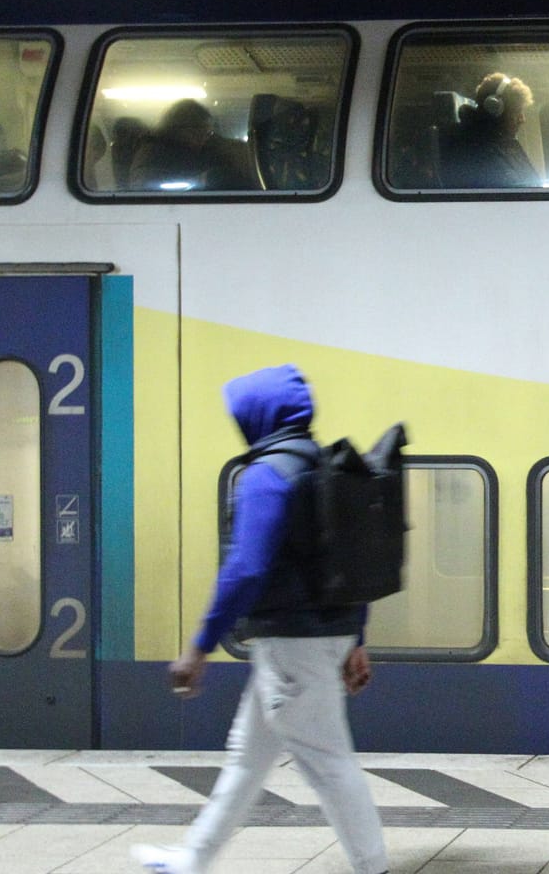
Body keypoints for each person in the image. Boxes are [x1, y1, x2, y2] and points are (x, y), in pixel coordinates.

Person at [133, 365, 387, 874]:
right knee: (247, 760)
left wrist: (199, 646)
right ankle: (193, 859)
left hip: (291, 645)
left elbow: (246, 567)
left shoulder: (267, 476)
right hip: (320, 639)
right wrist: (356, 637)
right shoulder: (326, 466)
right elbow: (355, 559)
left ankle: (373, 867)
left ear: (258, 416)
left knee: (330, 765)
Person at [128, 99, 260, 192]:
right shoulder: (154, 153)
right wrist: (201, 180)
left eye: (208, 133)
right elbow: (146, 187)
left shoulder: (199, 152)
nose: (203, 138)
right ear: (181, 128)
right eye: (201, 132)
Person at [440, 72, 539, 188]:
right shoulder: (475, 151)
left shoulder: (502, 143)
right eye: (517, 112)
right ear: (494, 109)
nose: (522, 119)